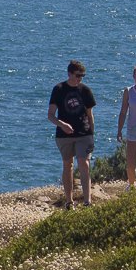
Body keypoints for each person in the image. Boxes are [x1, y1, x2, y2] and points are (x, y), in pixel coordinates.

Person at [48, 60, 98, 208]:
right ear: (69, 73)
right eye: (77, 75)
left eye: (82, 76)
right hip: (64, 136)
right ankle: (69, 201)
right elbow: (50, 115)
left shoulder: (85, 91)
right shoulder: (58, 89)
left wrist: (92, 134)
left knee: (84, 162)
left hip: (84, 134)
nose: (79, 79)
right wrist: (62, 124)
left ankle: (87, 200)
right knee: (67, 164)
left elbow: (90, 115)